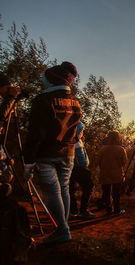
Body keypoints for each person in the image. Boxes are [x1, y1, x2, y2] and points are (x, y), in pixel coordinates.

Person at [23, 62, 82, 243]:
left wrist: (28, 161)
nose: (42, 79)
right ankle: (63, 227)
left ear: (52, 80)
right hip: (68, 153)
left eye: (45, 77)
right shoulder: (75, 102)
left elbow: (35, 134)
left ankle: (62, 230)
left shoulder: (42, 101)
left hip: (46, 154)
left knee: (52, 193)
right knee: (63, 189)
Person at [69, 122, 95, 219]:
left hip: (70, 167)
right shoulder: (76, 141)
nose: (83, 132)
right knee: (89, 186)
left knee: (70, 189)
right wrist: (85, 167)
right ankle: (83, 210)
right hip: (79, 168)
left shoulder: (71, 139)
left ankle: (73, 210)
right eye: (82, 130)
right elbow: (80, 157)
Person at [97, 130, 127, 215]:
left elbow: (98, 161)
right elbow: (124, 162)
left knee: (106, 192)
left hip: (104, 174)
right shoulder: (121, 149)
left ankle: (109, 210)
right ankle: (117, 210)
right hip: (117, 174)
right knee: (116, 193)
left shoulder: (103, 149)